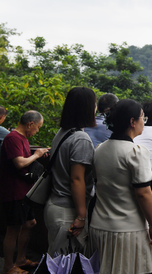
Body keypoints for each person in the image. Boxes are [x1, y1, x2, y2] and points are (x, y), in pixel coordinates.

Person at [89, 99, 152, 274]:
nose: (143, 122)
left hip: (99, 226)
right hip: (128, 231)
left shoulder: (100, 149)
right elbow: (143, 193)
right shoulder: (136, 152)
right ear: (132, 121)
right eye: (142, 118)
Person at [44, 87, 96, 256]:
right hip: (68, 211)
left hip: (55, 205)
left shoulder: (63, 132)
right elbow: (77, 179)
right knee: (66, 264)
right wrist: (81, 216)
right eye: (94, 103)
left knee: (57, 262)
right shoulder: (81, 138)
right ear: (87, 108)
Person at [0, 111, 49, 274]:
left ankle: (20, 259)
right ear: (30, 124)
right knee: (13, 229)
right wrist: (37, 154)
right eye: (38, 127)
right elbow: (19, 163)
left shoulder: (22, 139)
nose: (37, 131)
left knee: (30, 223)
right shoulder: (13, 138)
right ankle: (8, 266)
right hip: (13, 191)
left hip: (23, 191)